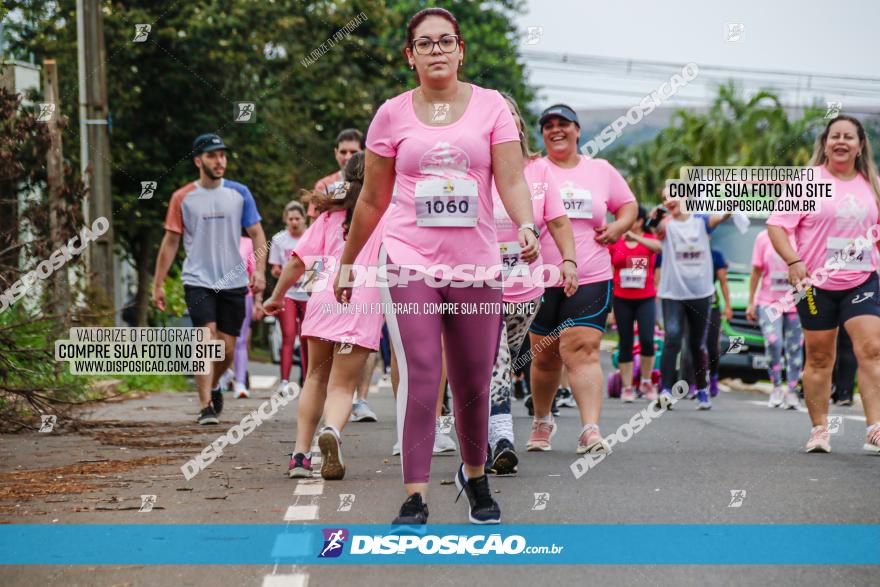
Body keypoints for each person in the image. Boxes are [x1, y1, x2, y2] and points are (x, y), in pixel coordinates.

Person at [333, 7, 539, 524]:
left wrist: (527, 225)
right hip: (409, 262)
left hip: (476, 267)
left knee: (471, 380)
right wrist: (347, 262)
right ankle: (416, 495)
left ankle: (474, 474)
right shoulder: (391, 114)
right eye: (425, 44)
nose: (437, 51)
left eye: (446, 41)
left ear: (461, 49)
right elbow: (372, 200)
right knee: (423, 371)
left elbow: (511, 180)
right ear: (410, 56)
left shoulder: (492, 107)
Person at [264, 152, 387, 479]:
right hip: (361, 302)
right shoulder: (385, 213)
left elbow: (296, 262)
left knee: (315, 377)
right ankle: (332, 429)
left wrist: (276, 297)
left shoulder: (330, 217)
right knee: (343, 386)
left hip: (323, 296)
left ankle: (300, 457)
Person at [527, 104, 638, 453]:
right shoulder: (532, 169)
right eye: (548, 126)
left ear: (577, 130)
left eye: (563, 124)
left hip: (591, 274)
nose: (555, 130)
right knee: (544, 356)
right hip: (540, 277)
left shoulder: (600, 170)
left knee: (584, 351)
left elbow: (628, 205)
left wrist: (618, 227)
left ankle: (590, 429)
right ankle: (542, 421)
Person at [767, 114, 880, 453]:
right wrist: (794, 260)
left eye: (849, 136)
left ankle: (874, 427)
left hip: (862, 280)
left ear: (860, 146)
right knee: (818, 357)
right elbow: (777, 226)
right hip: (813, 284)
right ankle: (819, 430)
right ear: (826, 144)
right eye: (835, 136)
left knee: (872, 349)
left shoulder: (872, 183)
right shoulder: (808, 181)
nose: (841, 142)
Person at [487, 93, 577, 474]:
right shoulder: (478, 168)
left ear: (519, 126)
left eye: (510, 116)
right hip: (480, 285)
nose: (504, 122)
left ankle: (479, 426)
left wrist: (569, 261)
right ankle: (502, 437)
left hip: (527, 288)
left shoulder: (540, 171)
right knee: (497, 359)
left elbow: (557, 221)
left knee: (498, 362)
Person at [152, 133, 266, 425]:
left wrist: (260, 271)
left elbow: (257, 234)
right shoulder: (183, 198)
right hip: (198, 279)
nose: (220, 161)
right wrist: (158, 283)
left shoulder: (240, 193)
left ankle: (215, 384)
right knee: (206, 340)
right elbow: (170, 242)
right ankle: (205, 406)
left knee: (226, 349)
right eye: (213, 155)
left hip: (233, 280)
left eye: (223, 155)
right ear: (198, 160)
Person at [652, 190, 730, 410]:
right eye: (665, 198)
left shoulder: (701, 221)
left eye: (672, 196)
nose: (669, 201)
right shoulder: (666, 224)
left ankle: (702, 390)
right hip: (673, 293)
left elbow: (719, 218)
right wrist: (655, 218)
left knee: (697, 344)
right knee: (673, 338)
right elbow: (656, 229)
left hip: (700, 293)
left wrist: (729, 208)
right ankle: (665, 390)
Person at [608, 205, 660, 402]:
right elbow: (610, 269)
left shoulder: (649, 240)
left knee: (647, 340)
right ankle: (627, 387)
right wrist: (610, 305)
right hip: (622, 299)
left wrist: (636, 237)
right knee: (626, 342)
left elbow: (659, 248)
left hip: (645, 299)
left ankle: (646, 381)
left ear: (639, 221)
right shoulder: (616, 243)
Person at [746, 229, 803, 409]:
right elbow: (756, 271)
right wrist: (751, 302)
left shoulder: (802, 234)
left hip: (796, 300)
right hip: (768, 301)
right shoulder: (763, 237)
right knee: (774, 342)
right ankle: (777, 386)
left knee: (795, 347)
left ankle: (793, 391)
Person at [269, 201, 310, 393]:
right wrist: (282, 274)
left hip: (308, 293)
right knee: (288, 334)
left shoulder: (311, 235)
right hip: (288, 293)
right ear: (286, 220)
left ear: (304, 219)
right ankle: (284, 381)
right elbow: (275, 268)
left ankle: (309, 378)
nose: (294, 222)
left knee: (307, 337)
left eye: (298, 218)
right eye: (291, 219)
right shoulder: (279, 239)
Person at [231, 235, 265, 398]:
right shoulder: (215, 239)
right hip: (219, 295)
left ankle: (240, 383)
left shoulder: (248, 243)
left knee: (240, 340)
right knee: (219, 340)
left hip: (244, 295)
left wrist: (258, 302)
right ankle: (222, 377)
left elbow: (255, 273)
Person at [308, 129, 364, 221]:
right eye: (343, 152)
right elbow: (314, 224)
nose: (348, 157)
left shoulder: (374, 184)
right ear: (336, 153)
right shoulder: (325, 186)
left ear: (363, 152)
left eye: (353, 152)